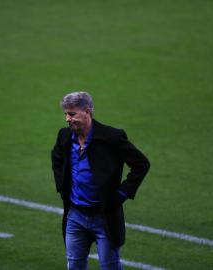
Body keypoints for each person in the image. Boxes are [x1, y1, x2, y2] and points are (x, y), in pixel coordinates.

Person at [51, 91, 150, 270]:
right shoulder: (64, 136)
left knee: (109, 266)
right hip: (75, 216)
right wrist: (62, 186)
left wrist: (121, 194)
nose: (67, 118)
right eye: (65, 114)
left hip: (104, 217)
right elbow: (56, 158)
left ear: (87, 112)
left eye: (72, 114)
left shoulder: (111, 137)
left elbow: (141, 164)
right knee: (74, 265)